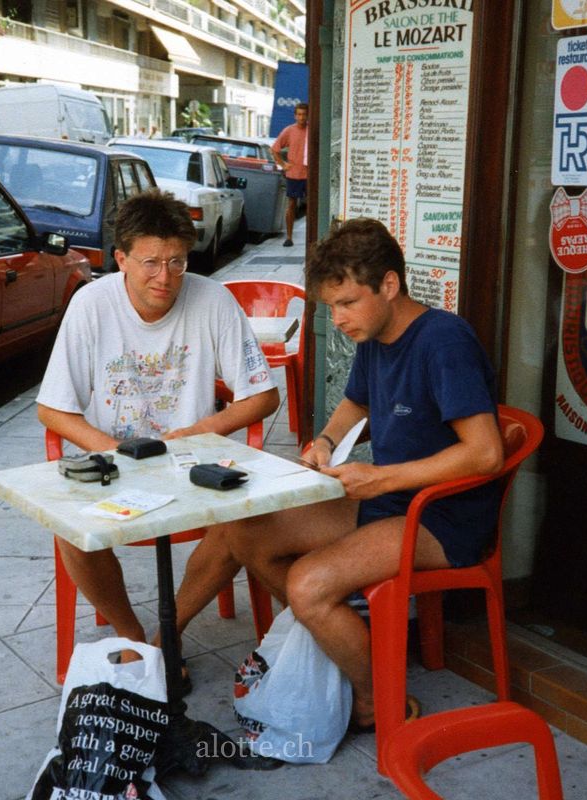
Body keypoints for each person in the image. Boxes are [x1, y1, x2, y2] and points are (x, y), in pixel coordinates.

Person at [221, 218, 504, 729]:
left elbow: (485, 454)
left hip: (443, 518)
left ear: (389, 285)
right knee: (248, 533)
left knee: (308, 585)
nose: (339, 317)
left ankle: (378, 699)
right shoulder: (376, 334)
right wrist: (325, 443)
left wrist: (382, 479)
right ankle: (335, 635)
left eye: (348, 302)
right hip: (393, 500)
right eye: (331, 306)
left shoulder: (443, 342)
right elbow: (356, 401)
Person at [35, 189, 279, 650]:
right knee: (70, 531)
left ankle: (169, 635)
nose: (164, 277)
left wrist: (195, 433)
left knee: (243, 525)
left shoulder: (213, 300)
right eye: (150, 262)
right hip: (114, 463)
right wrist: (112, 449)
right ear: (121, 259)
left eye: (177, 262)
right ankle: (132, 636)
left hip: (192, 463)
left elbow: (263, 396)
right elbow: (52, 407)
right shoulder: (91, 303)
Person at [271, 102, 308, 247]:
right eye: (299, 114)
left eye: (304, 114)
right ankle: (289, 237)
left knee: (312, 207)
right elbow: (274, 149)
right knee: (292, 205)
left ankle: (312, 236)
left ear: (308, 116)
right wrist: (283, 164)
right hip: (294, 174)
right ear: (295, 115)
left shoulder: (311, 130)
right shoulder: (289, 130)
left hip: (309, 174)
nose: (301, 117)